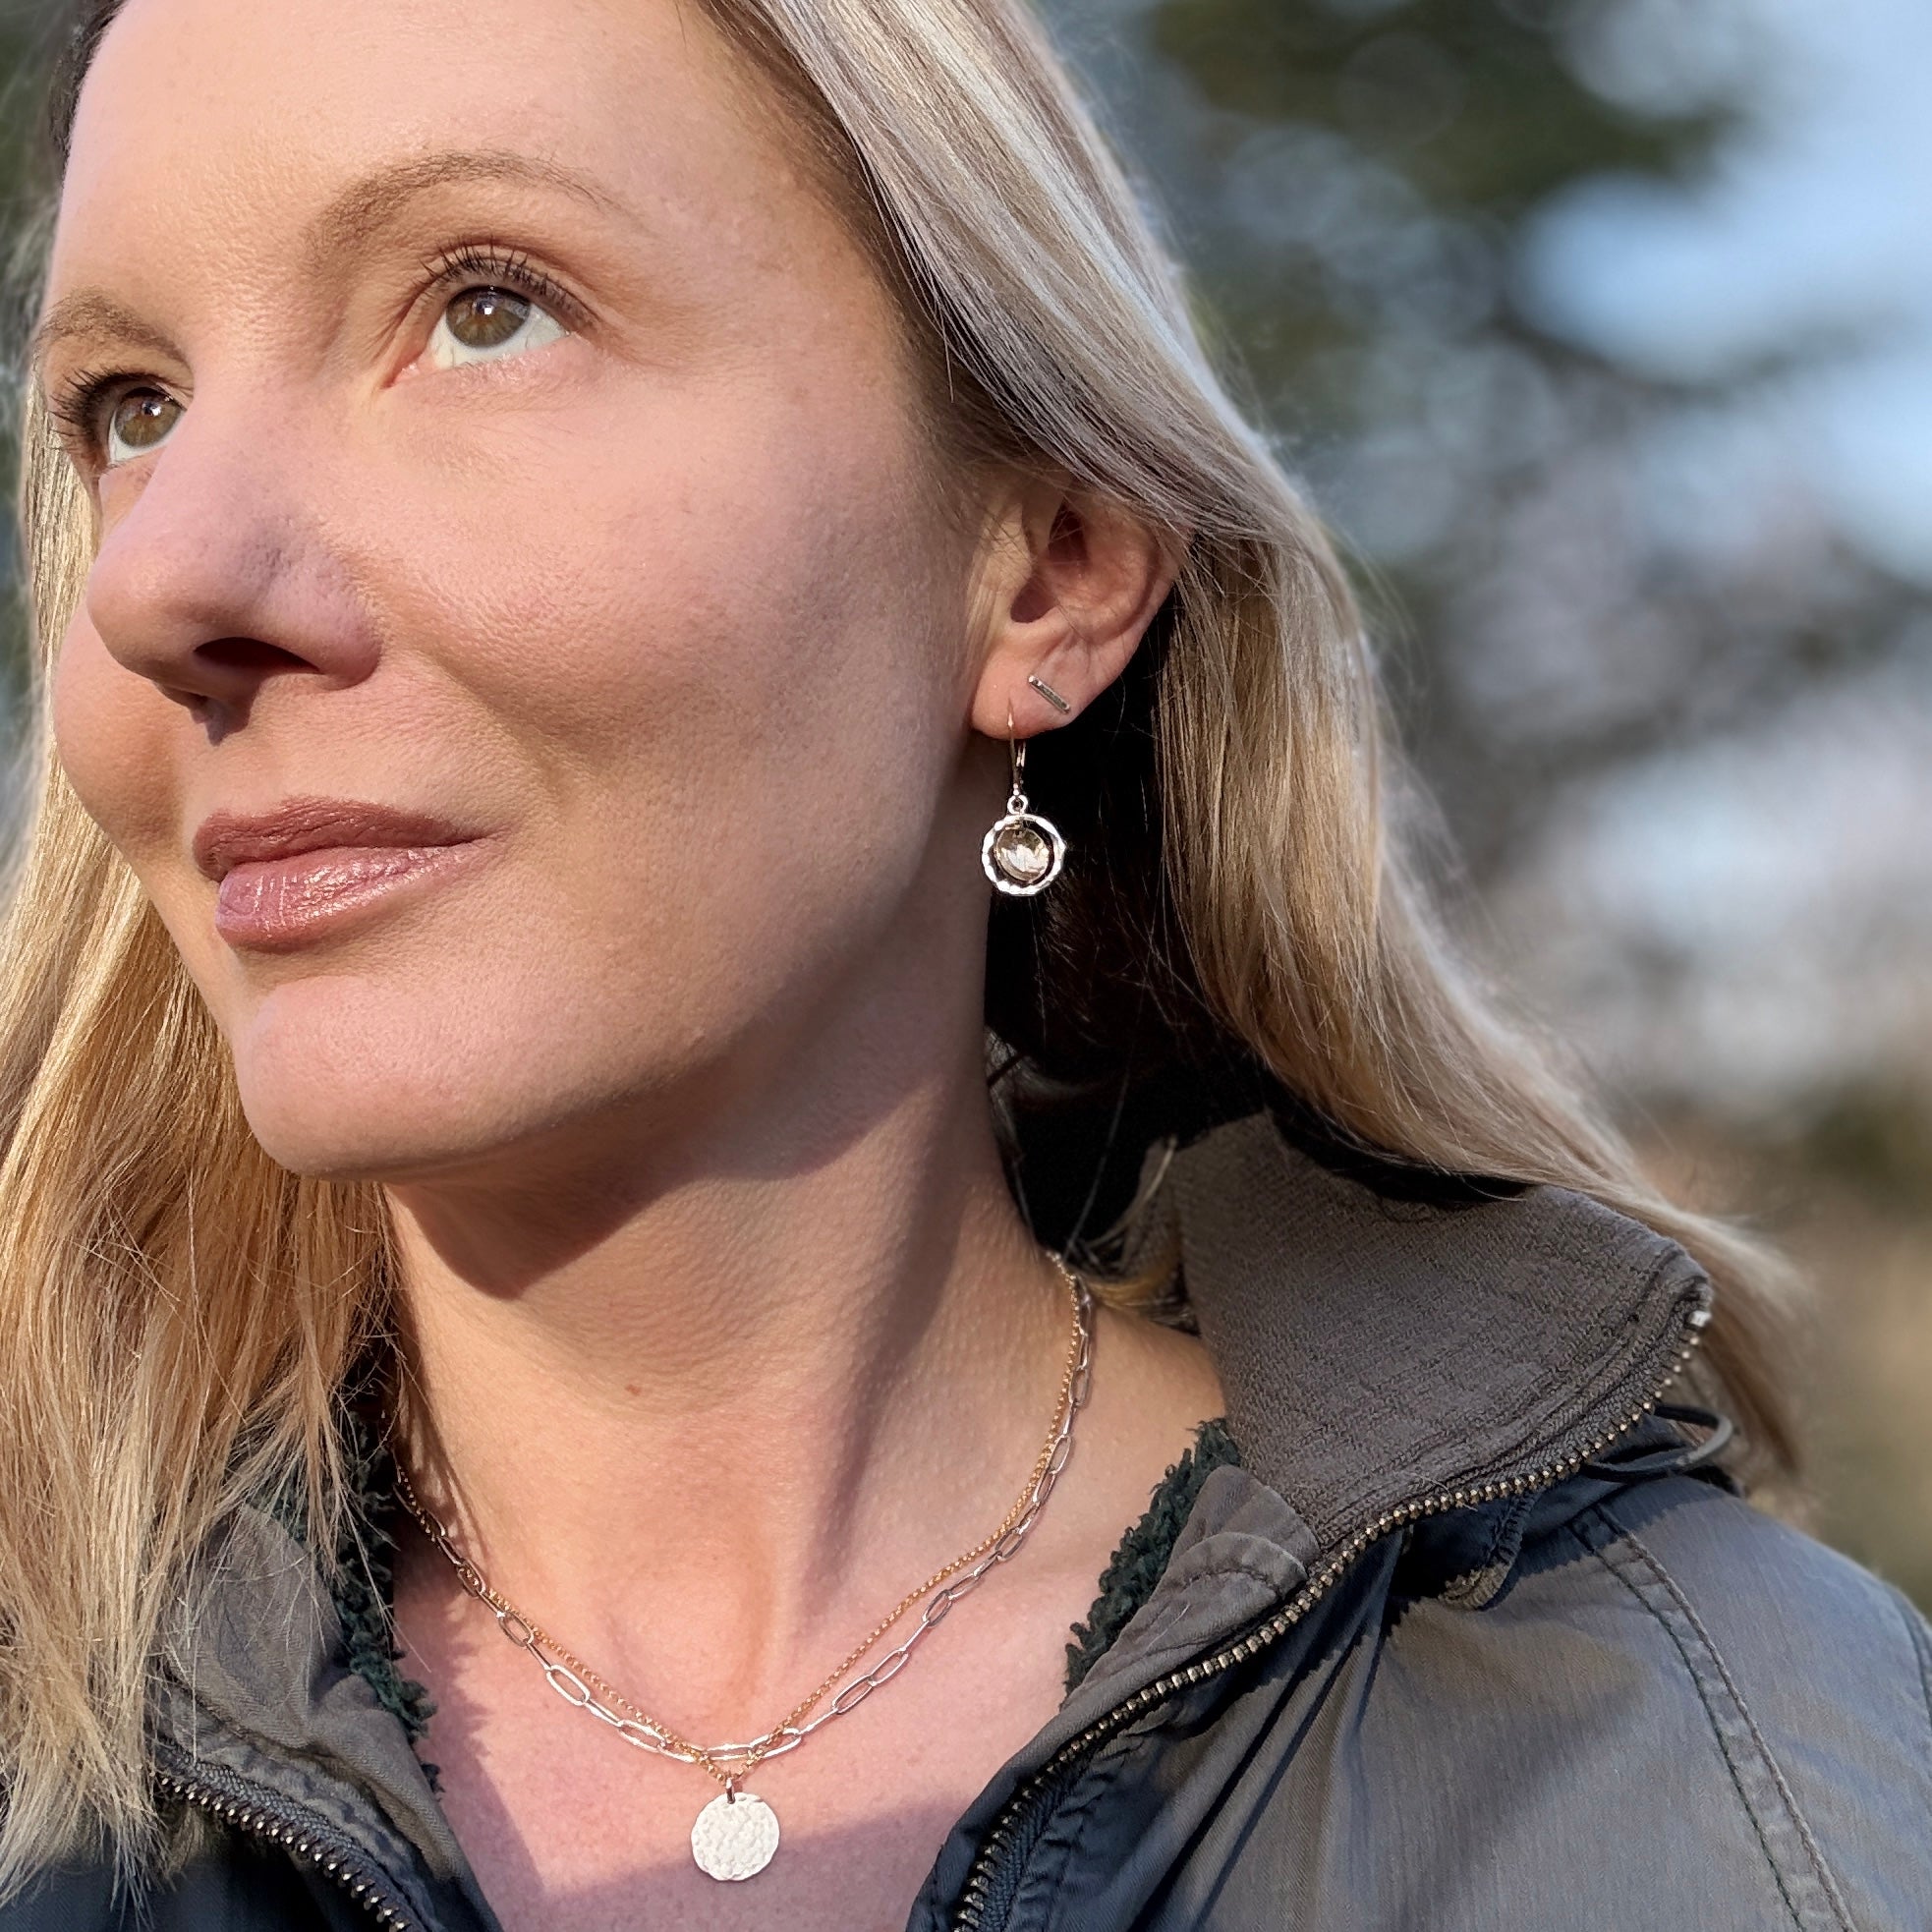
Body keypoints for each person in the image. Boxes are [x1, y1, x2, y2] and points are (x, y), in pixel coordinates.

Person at [2, 0, 1926, 1925]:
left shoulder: (1704, 1766)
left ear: (1046, 567)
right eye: (131, 406)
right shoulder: (48, 1781)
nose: (162, 581)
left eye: (489, 305)